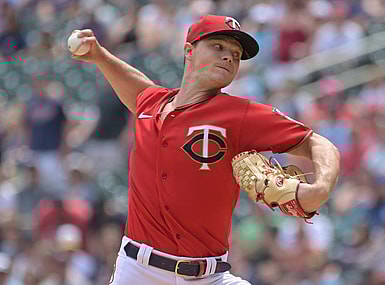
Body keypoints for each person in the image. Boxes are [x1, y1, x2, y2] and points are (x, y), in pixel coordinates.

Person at [70, 14, 340, 285]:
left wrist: (320, 189)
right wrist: (100, 56)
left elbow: (319, 144)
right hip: (137, 272)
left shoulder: (239, 114)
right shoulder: (151, 105)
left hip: (209, 277)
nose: (229, 57)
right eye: (218, 47)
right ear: (189, 51)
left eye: (236, 54)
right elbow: (139, 90)